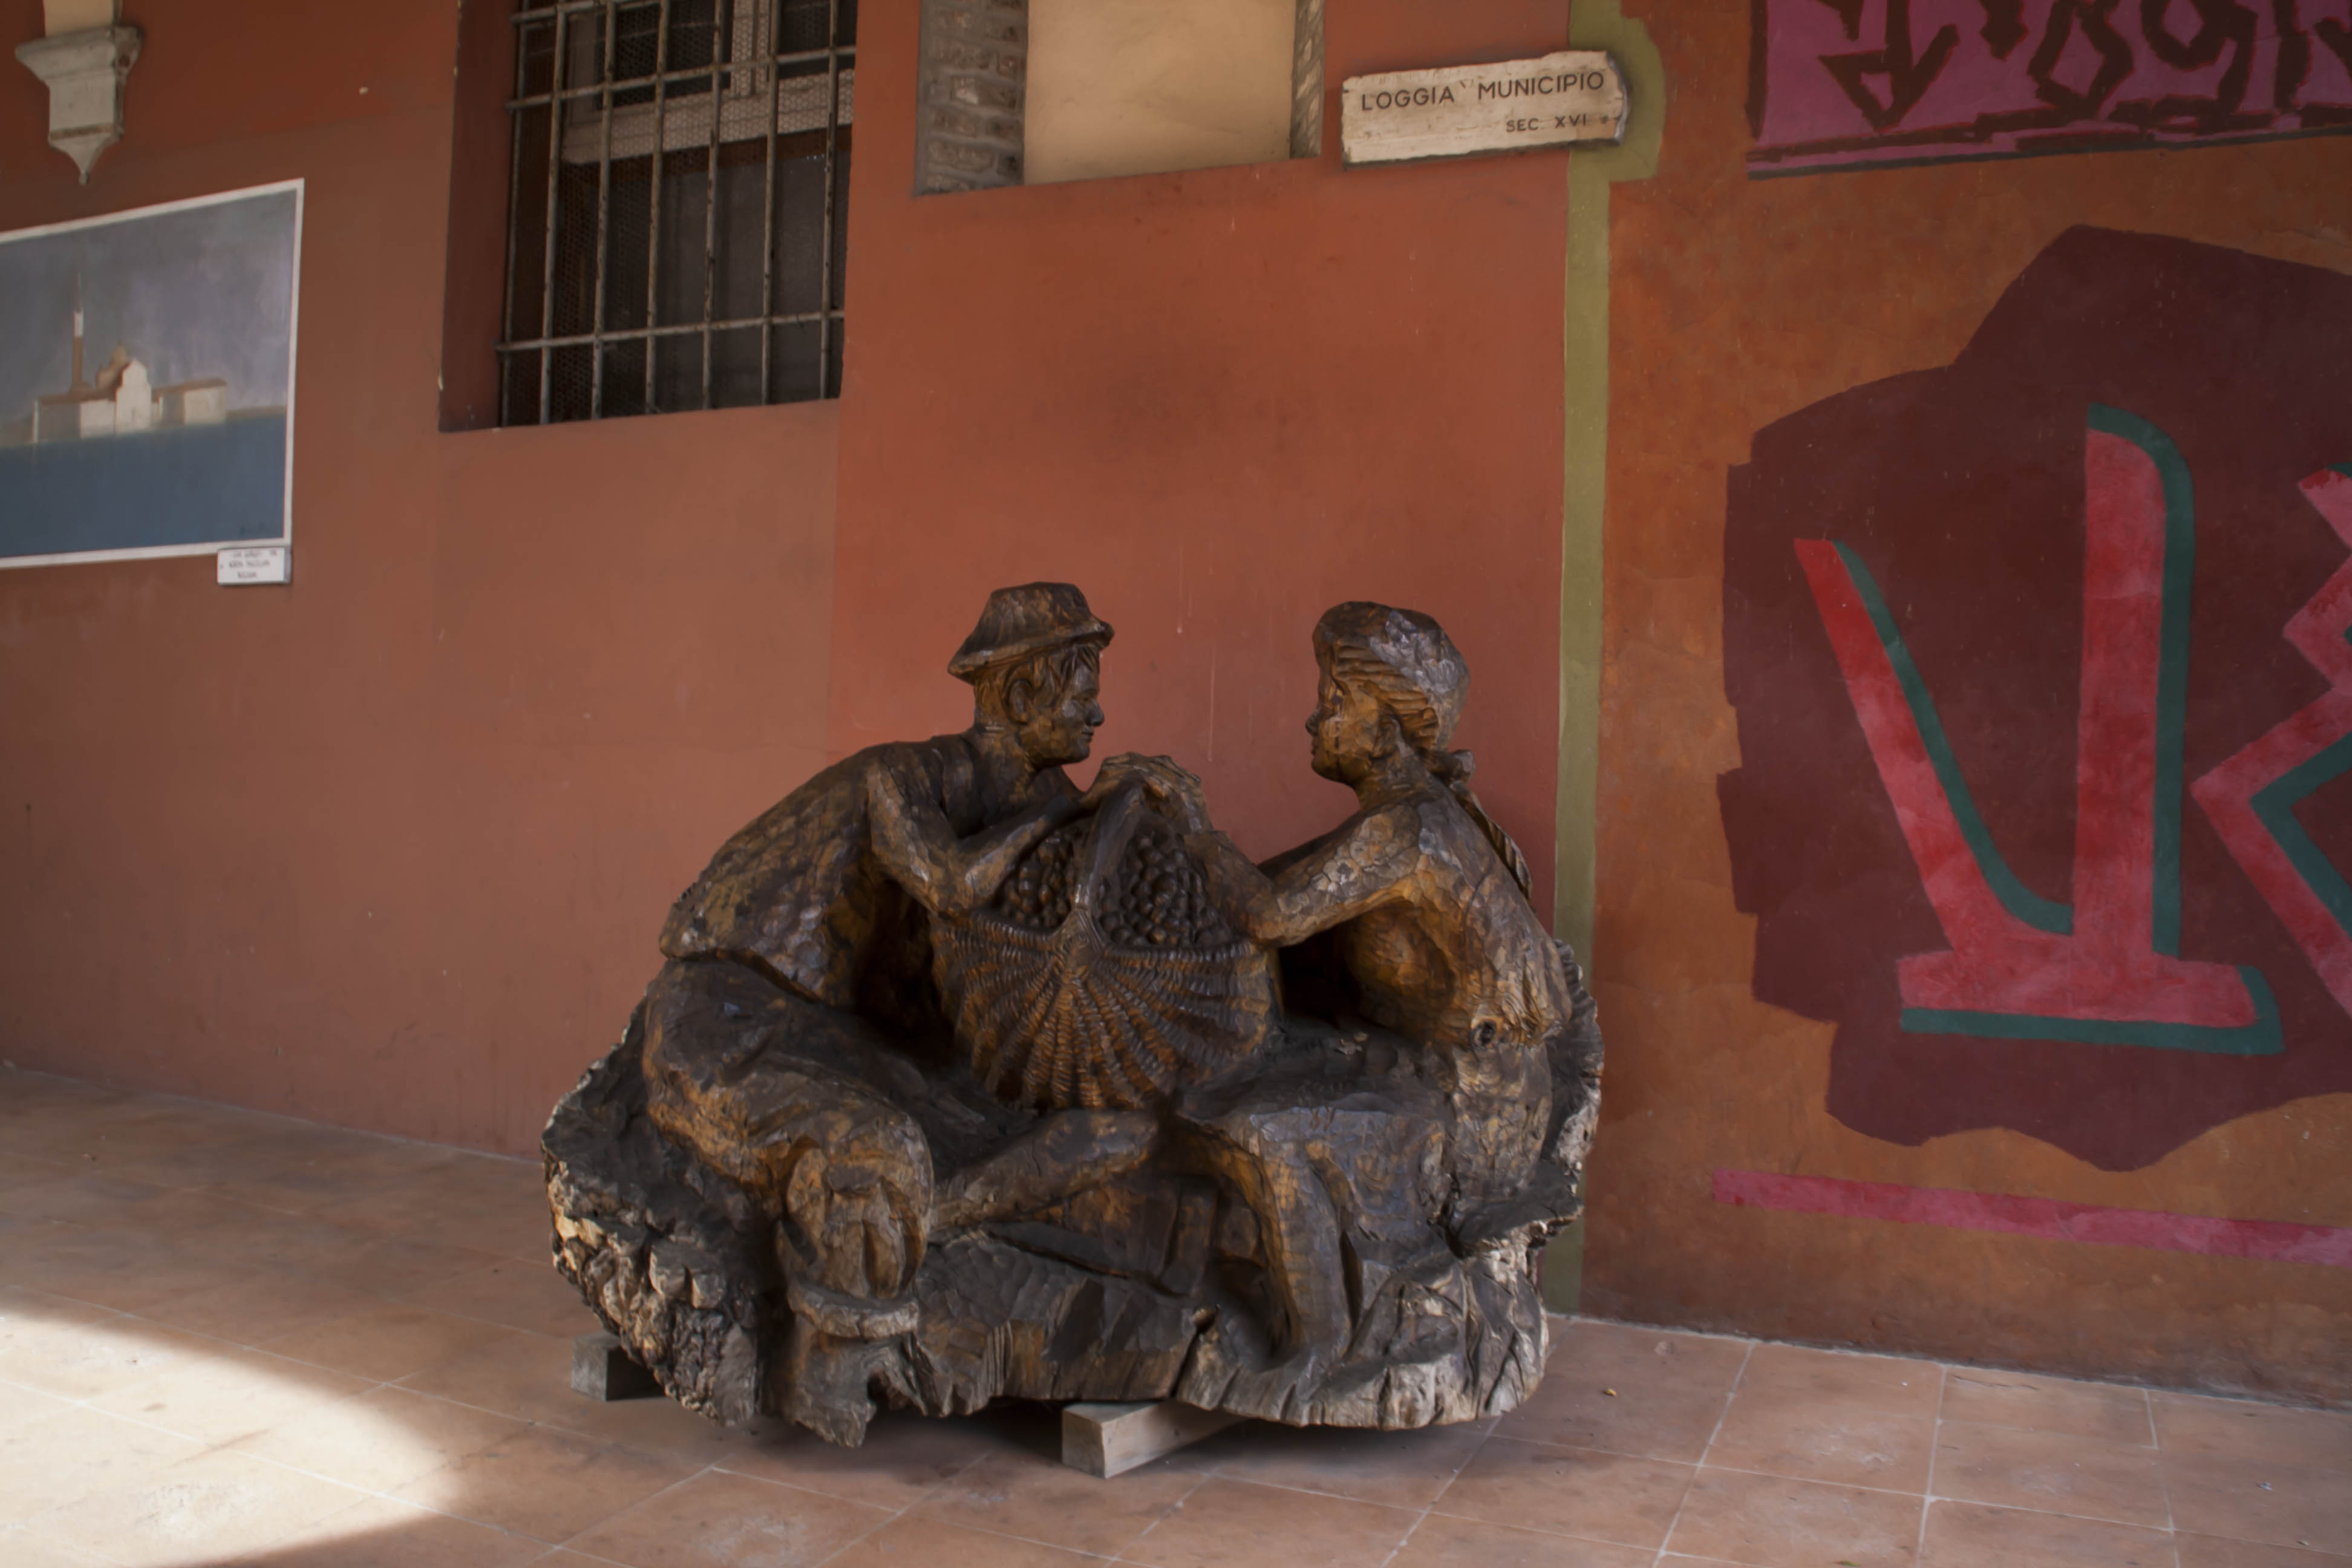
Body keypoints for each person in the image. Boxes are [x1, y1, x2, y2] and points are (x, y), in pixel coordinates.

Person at [1117, 603, 1596, 1392]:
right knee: (1235, 1077)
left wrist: (1196, 826)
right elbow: (1281, 886)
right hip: (1432, 1068)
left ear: (1388, 728)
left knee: (1256, 1125)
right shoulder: (1394, 821)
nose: (1315, 718)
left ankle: (1320, 1346)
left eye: (1335, 700)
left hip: (1474, 1111)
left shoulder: (1409, 830)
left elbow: (1271, 914)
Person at [639, 583, 1126, 1312]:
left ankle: (945, 1240)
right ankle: (835, 1343)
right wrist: (1078, 810)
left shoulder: (1042, 803)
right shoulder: (898, 776)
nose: (1098, 713)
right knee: (878, 1149)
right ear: (1023, 693)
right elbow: (950, 882)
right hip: (732, 1009)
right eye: (1080, 695)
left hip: (847, 1037)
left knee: (1040, 1133)